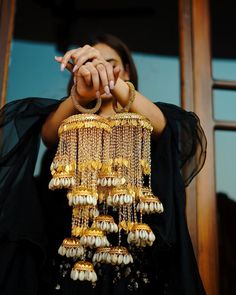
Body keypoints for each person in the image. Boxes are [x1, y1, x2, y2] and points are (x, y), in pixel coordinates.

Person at [0, 33, 207, 295]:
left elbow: (165, 127)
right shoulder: (68, 137)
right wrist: (81, 93)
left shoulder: (149, 131)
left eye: (109, 63)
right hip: (70, 279)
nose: (100, 70)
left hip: (138, 280)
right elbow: (47, 133)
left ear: (126, 70)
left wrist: (113, 80)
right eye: (91, 65)